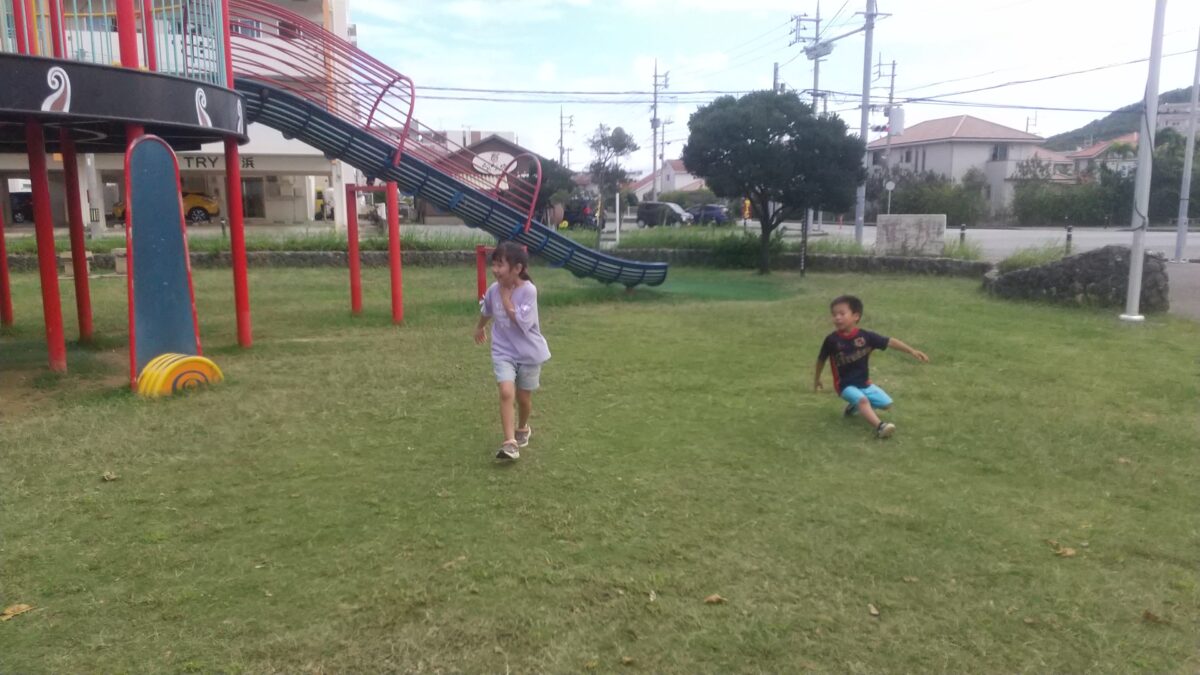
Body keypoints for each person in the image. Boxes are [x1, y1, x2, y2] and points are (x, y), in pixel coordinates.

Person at [473, 242, 551, 460]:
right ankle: (510, 443)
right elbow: (487, 309)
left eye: (501, 265)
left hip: (528, 354)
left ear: (517, 268)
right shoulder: (492, 289)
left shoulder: (529, 291)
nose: (495, 270)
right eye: (494, 264)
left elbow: (522, 322)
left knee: (524, 398)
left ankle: (523, 427)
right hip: (503, 351)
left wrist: (506, 299)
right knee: (507, 392)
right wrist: (480, 326)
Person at [813, 295, 929, 438]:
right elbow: (821, 360)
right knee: (863, 400)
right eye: (834, 314)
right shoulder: (832, 340)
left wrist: (912, 351)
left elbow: (890, 342)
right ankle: (880, 427)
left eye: (842, 314)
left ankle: (853, 408)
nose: (837, 318)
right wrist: (817, 379)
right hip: (844, 385)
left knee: (886, 404)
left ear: (856, 316)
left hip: (864, 383)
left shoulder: (866, 337)